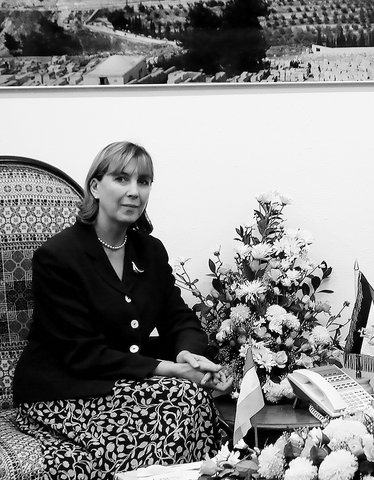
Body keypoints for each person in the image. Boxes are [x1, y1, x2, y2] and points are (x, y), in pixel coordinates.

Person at [13, 141, 233, 479]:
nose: (134, 191)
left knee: (190, 395)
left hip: (124, 378)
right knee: (179, 399)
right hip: (65, 387)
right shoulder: (58, 256)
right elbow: (81, 353)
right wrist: (169, 369)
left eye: (143, 182)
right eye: (122, 178)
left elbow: (179, 318)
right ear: (96, 186)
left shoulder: (150, 250)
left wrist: (187, 354)